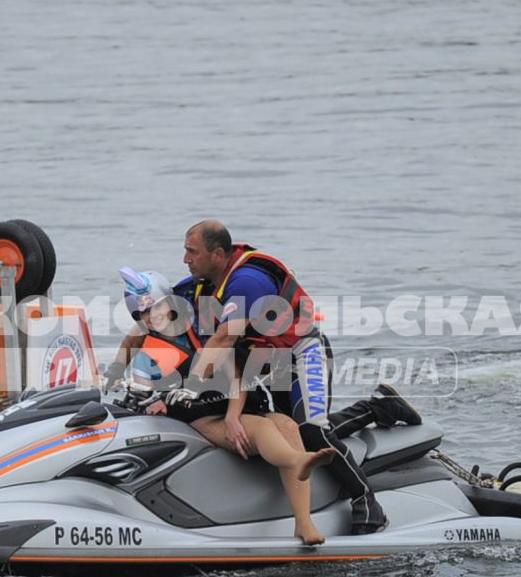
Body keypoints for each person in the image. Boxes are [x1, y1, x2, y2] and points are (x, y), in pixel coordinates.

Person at [178, 220, 404, 535]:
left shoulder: (247, 281)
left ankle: (366, 501)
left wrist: (187, 392)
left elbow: (224, 340)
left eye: (192, 252)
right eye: (185, 252)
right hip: (267, 361)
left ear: (217, 254)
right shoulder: (204, 284)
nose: (185, 259)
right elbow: (164, 315)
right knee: (292, 434)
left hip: (302, 351)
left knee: (312, 430)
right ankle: (376, 408)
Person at [115, 268, 335, 546]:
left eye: (153, 309)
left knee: (288, 425)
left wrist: (233, 415)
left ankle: (304, 522)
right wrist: (149, 400)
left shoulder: (200, 326)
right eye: (140, 315)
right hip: (199, 417)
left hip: (232, 400)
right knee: (260, 428)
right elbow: (138, 385)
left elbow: (236, 374)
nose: (149, 318)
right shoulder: (149, 353)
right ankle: (296, 460)